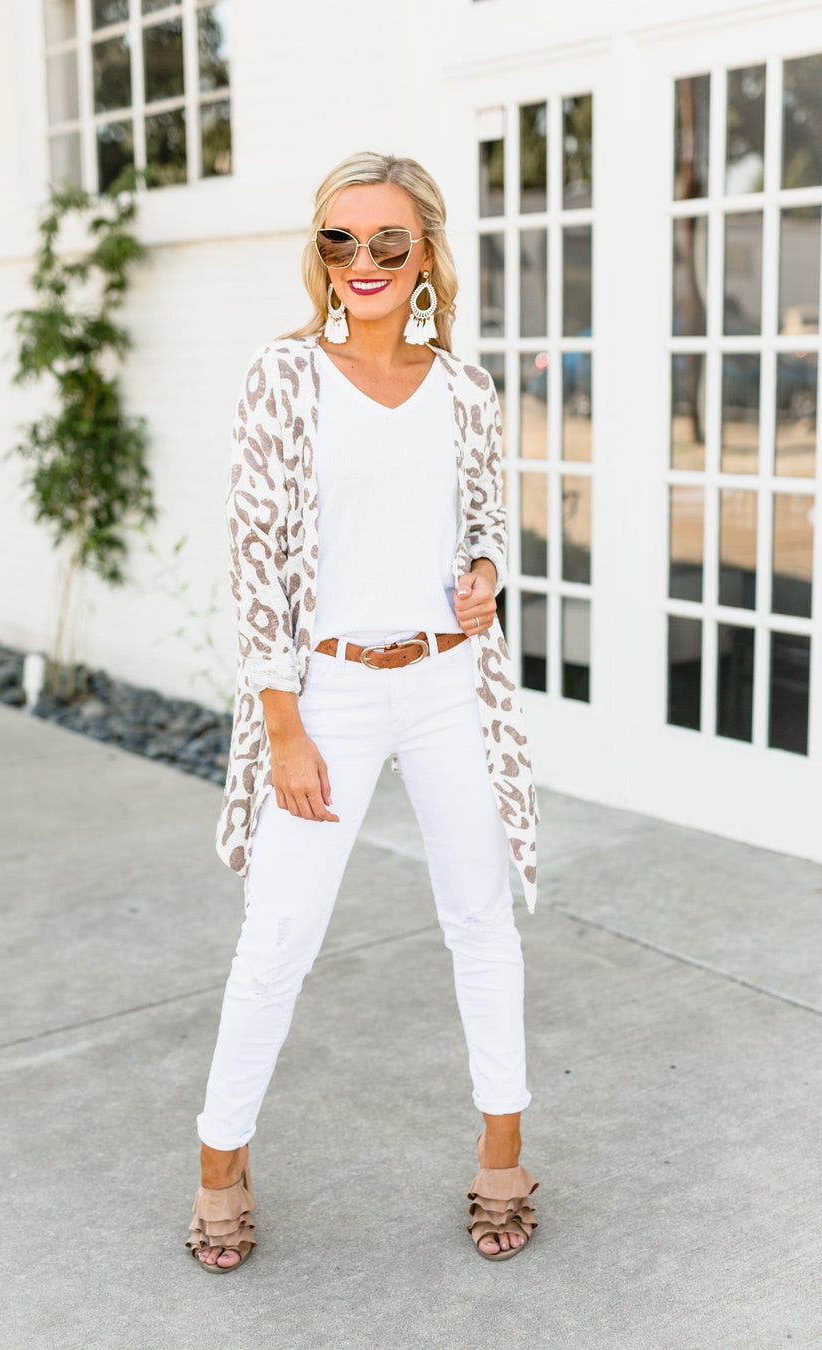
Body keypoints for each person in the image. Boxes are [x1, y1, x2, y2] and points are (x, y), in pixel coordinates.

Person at [186, 152, 539, 1271]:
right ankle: (220, 1165)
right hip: (326, 693)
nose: (364, 261)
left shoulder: (466, 389)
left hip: (446, 686)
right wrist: (284, 724)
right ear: (322, 255)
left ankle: (503, 1154)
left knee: (480, 920)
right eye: (341, 240)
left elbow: (485, 523)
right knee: (279, 936)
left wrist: (484, 573)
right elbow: (253, 561)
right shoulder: (284, 377)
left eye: (389, 240)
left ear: (425, 252)